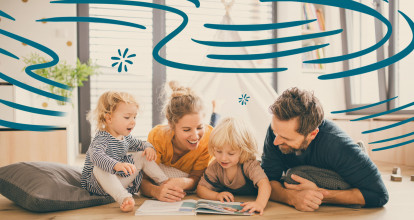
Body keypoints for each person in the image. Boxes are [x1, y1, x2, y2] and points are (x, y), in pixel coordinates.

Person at [261, 87, 389, 211]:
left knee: (293, 177)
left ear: (312, 134)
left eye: (286, 138)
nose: (275, 141)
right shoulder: (278, 131)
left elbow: (379, 195)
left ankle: (360, 154)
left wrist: (320, 195)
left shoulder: (338, 145)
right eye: (275, 132)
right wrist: (291, 197)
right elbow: (267, 181)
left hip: (341, 166)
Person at [80, 91, 168, 212]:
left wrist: (148, 147)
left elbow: (140, 144)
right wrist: (116, 165)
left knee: (141, 155)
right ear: (109, 118)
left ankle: (165, 182)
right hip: (98, 185)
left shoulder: (125, 137)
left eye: (134, 117)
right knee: (98, 167)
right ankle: (124, 198)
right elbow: (96, 156)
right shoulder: (102, 138)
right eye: (127, 117)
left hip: (118, 181)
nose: (133, 122)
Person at [140, 81, 214, 202]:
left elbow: (198, 177)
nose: (195, 136)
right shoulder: (158, 136)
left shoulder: (208, 139)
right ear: (172, 125)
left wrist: (186, 182)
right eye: (186, 129)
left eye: (200, 127)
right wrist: (156, 191)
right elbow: (143, 178)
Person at [197, 117, 271, 215]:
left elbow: (265, 184)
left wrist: (259, 204)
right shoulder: (215, 166)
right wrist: (216, 196)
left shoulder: (249, 164)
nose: (223, 158)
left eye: (231, 153)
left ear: (243, 151)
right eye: (219, 151)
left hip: (254, 199)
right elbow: (201, 188)